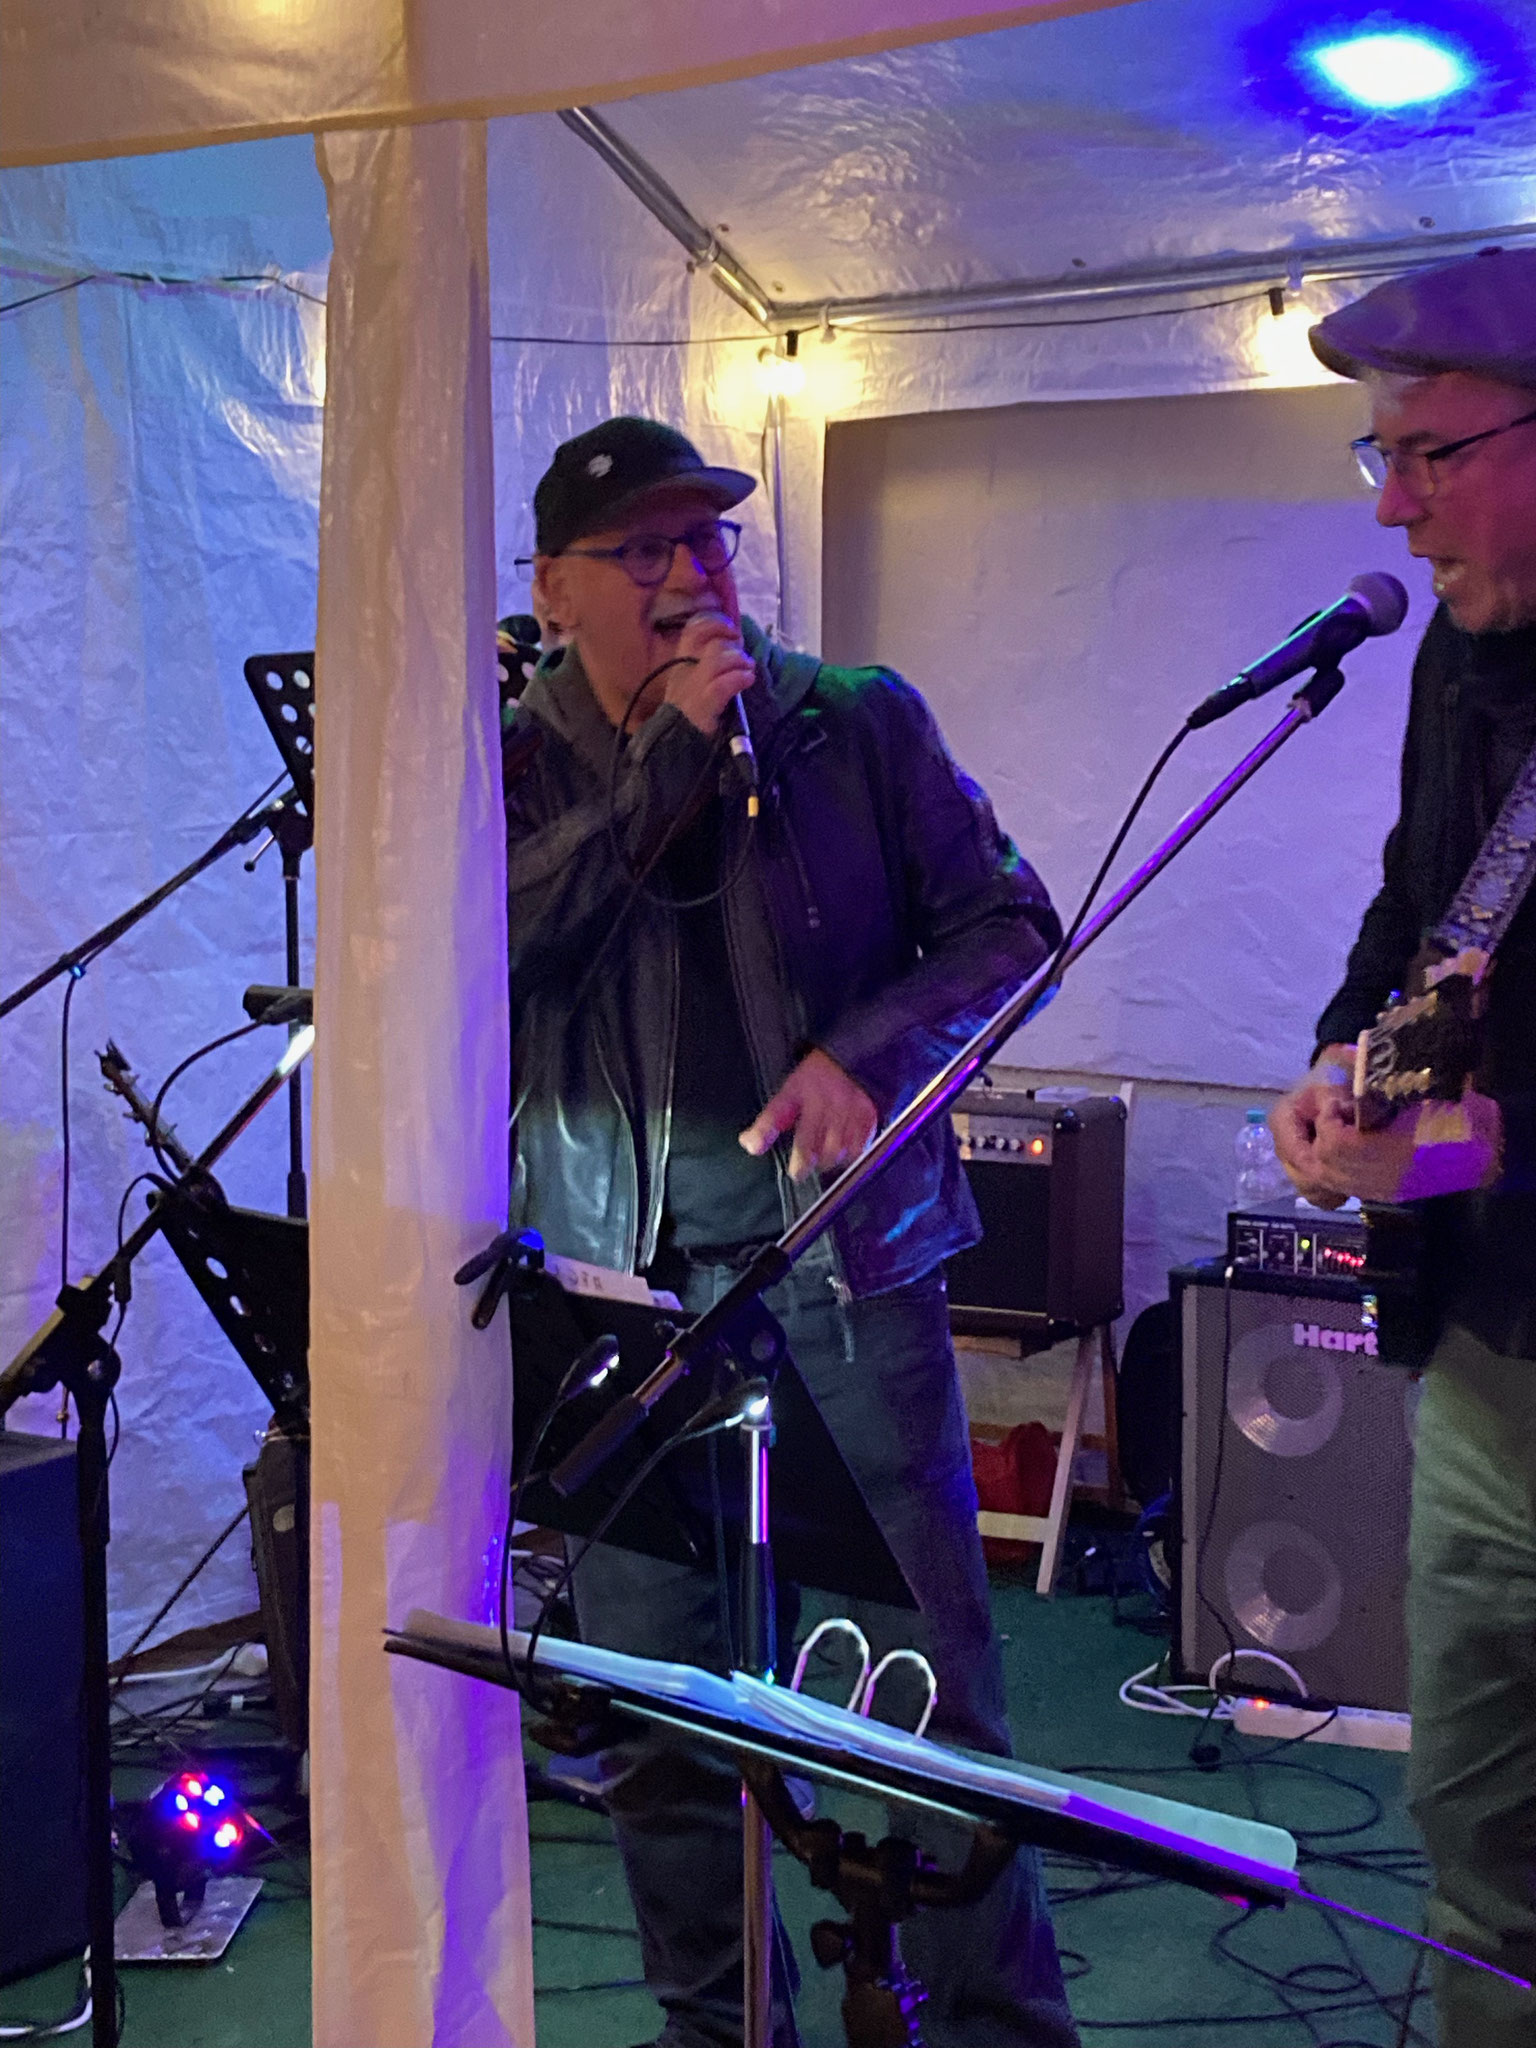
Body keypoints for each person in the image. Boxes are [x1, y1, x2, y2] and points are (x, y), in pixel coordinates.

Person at [504, 415, 1078, 2048]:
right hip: (623, 1297)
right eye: (647, 552)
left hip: (844, 1272)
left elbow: (1014, 926)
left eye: (713, 542)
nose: (694, 576)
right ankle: (719, 2029)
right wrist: (669, 762)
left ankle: (995, 2031)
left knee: (921, 1697)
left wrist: (865, 1057)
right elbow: (500, 946)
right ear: (556, 588)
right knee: (654, 1708)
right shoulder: (509, 764)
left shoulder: (851, 724)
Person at [1270, 246, 1536, 2047]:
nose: (1396, 502)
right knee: (1474, 1823)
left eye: (1431, 452)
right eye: (1381, 455)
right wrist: (1342, 1071)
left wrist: (1505, 1140)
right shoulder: (1455, 652)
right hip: (1484, 1347)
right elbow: (1417, 911)